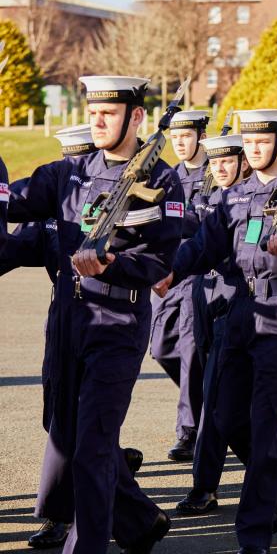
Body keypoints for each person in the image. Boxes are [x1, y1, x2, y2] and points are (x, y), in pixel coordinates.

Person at [8, 76, 185, 553]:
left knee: (93, 444)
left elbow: (163, 261)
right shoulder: (69, 172)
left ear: (137, 117)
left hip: (117, 323)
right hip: (66, 322)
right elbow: (14, 202)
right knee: (65, 435)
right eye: (93, 111)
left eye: (109, 112)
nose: (98, 119)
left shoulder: (161, 181)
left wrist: (115, 263)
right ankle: (139, 525)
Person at [158, 108, 277, 552]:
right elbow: (203, 247)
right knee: (223, 416)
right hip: (237, 311)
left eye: (263, 141)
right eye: (250, 142)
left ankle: (253, 534)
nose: (254, 149)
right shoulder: (231, 198)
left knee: (264, 422)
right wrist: (168, 271)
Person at [174, 132, 249, 517]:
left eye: (227, 161)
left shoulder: (257, 200)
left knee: (238, 405)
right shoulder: (210, 199)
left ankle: (275, 476)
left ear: (244, 162)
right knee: (214, 398)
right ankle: (208, 485)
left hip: (247, 306)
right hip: (206, 298)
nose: (219, 168)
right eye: (214, 162)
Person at [149, 109, 210, 462]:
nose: (180, 143)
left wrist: (170, 215)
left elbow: (206, 223)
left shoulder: (215, 174)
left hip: (197, 275)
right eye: (175, 138)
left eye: (186, 136)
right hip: (166, 274)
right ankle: (205, 404)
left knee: (190, 352)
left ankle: (188, 431)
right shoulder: (167, 177)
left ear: (201, 136)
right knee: (160, 348)